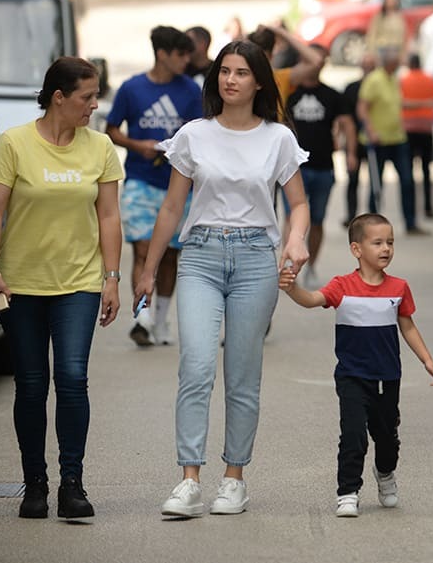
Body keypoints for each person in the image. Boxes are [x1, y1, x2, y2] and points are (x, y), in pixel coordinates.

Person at [133, 40, 310, 518]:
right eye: (224, 71)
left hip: (256, 260)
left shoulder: (277, 138)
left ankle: (234, 479)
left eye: (241, 72)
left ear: (259, 82)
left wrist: (296, 241)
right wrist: (148, 270)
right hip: (200, 256)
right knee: (195, 366)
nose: (231, 80)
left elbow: (298, 204)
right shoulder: (194, 134)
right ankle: (189, 480)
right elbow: (172, 207)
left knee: (243, 375)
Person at [0, 57, 123, 519]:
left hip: (79, 282)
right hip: (21, 283)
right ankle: (34, 484)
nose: (94, 105)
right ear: (59, 98)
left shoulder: (100, 147)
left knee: (73, 378)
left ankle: (71, 484)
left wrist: (111, 277)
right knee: (31, 384)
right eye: (87, 97)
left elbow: (108, 216)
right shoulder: (14, 143)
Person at [278, 212, 433, 518]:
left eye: (390, 242)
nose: (386, 248)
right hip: (352, 376)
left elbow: (407, 326)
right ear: (356, 249)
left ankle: (385, 472)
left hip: (387, 377)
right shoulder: (342, 286)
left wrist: (427, 360)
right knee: (353, 435)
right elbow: (311, 299)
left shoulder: (399, 288)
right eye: (377, 242)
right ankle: (348, 491)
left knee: (387, 436)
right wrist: (291, 288)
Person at [106, 26, 203, 347]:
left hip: (179, 184)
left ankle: (160, 321)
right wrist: (138, 145)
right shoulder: (132, 88)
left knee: (171, 254)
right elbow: (111, 130)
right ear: (162, 54)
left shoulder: (191, 90)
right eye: (181, 54)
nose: (187, 61)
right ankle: (142, 317)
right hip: (140, 180)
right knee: (143, 249)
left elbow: (200, 132)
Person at [287, 43, 357, 284]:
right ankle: (288, 265)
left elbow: (348, 124)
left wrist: (351, 153)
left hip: (323, 166)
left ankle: (311, 267)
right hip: (293, 168)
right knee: (291, 217)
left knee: (317, 220)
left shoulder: (332, 95)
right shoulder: (289, 92)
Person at [358, 47, 423, 235]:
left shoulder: (394, 79)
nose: (399, 64)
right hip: (378, 141)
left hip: (398, 138)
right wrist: (371, 131)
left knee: (407, 181)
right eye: (396, 61)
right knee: (376, 185)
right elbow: (362, 108)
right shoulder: (374, 80)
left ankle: (410, 223)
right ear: (389, 62)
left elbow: (397, 104)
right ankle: (371, 226)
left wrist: (423, 104)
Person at [399, 54, 433, 221]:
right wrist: (425, 104)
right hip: (426, 129)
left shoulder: (403, 80)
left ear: (410, 64)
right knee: (426, 170)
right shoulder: (430, 80)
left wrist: (413, 104)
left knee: (408, 172)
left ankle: (411, 209)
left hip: (408, 130)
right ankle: (428, 207)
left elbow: (400, 102)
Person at [343, 54, 376, 226]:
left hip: (372, 139)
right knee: (353, 179)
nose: (368, 69)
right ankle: (351, 216)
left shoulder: (379, 87)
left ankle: (372, 218)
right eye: (366, 65)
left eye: (372, 66)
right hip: (354, 139)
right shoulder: (352, 88)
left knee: (375, 179)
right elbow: (344, 117)